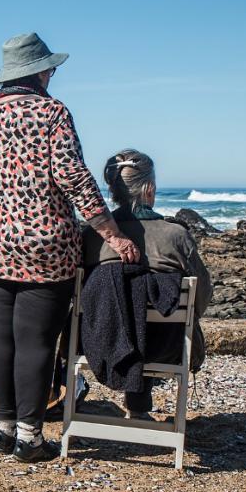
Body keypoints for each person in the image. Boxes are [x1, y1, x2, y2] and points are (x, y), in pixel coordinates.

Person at [0, 32, 141, 462]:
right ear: (39, 72)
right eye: (50, 68)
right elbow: (73, 176)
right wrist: (112, 233)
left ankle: (2, 430)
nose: (52, 74)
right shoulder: (52, 112)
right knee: (35, 341)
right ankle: (29, 438)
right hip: (45, 245)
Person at [82, 149, 213, 419]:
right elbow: (202, 296)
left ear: (113, 189)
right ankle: (139, 409)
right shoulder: (176, 235)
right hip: (165, 346)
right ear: (149, 188)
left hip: (98, 343)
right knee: (152, 319)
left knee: (123, 308)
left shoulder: (92, 236)